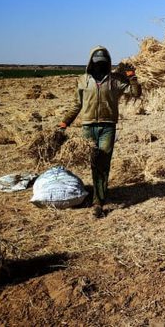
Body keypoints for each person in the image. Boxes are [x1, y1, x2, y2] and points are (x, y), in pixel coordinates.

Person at [59, 46, 141, 218]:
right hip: (88, 127)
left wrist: (132, 76)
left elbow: (135, 93)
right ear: (90, 63)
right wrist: (64, 122)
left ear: (108, 63)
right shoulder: (83, 81)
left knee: (104, 162)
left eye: (103, 63)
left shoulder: (115, 81)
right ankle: (98, 192)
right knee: (94, 162)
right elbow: (77, 104)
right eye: (97, 63)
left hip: (108, 127)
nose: (100, 66)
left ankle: (98, 202)